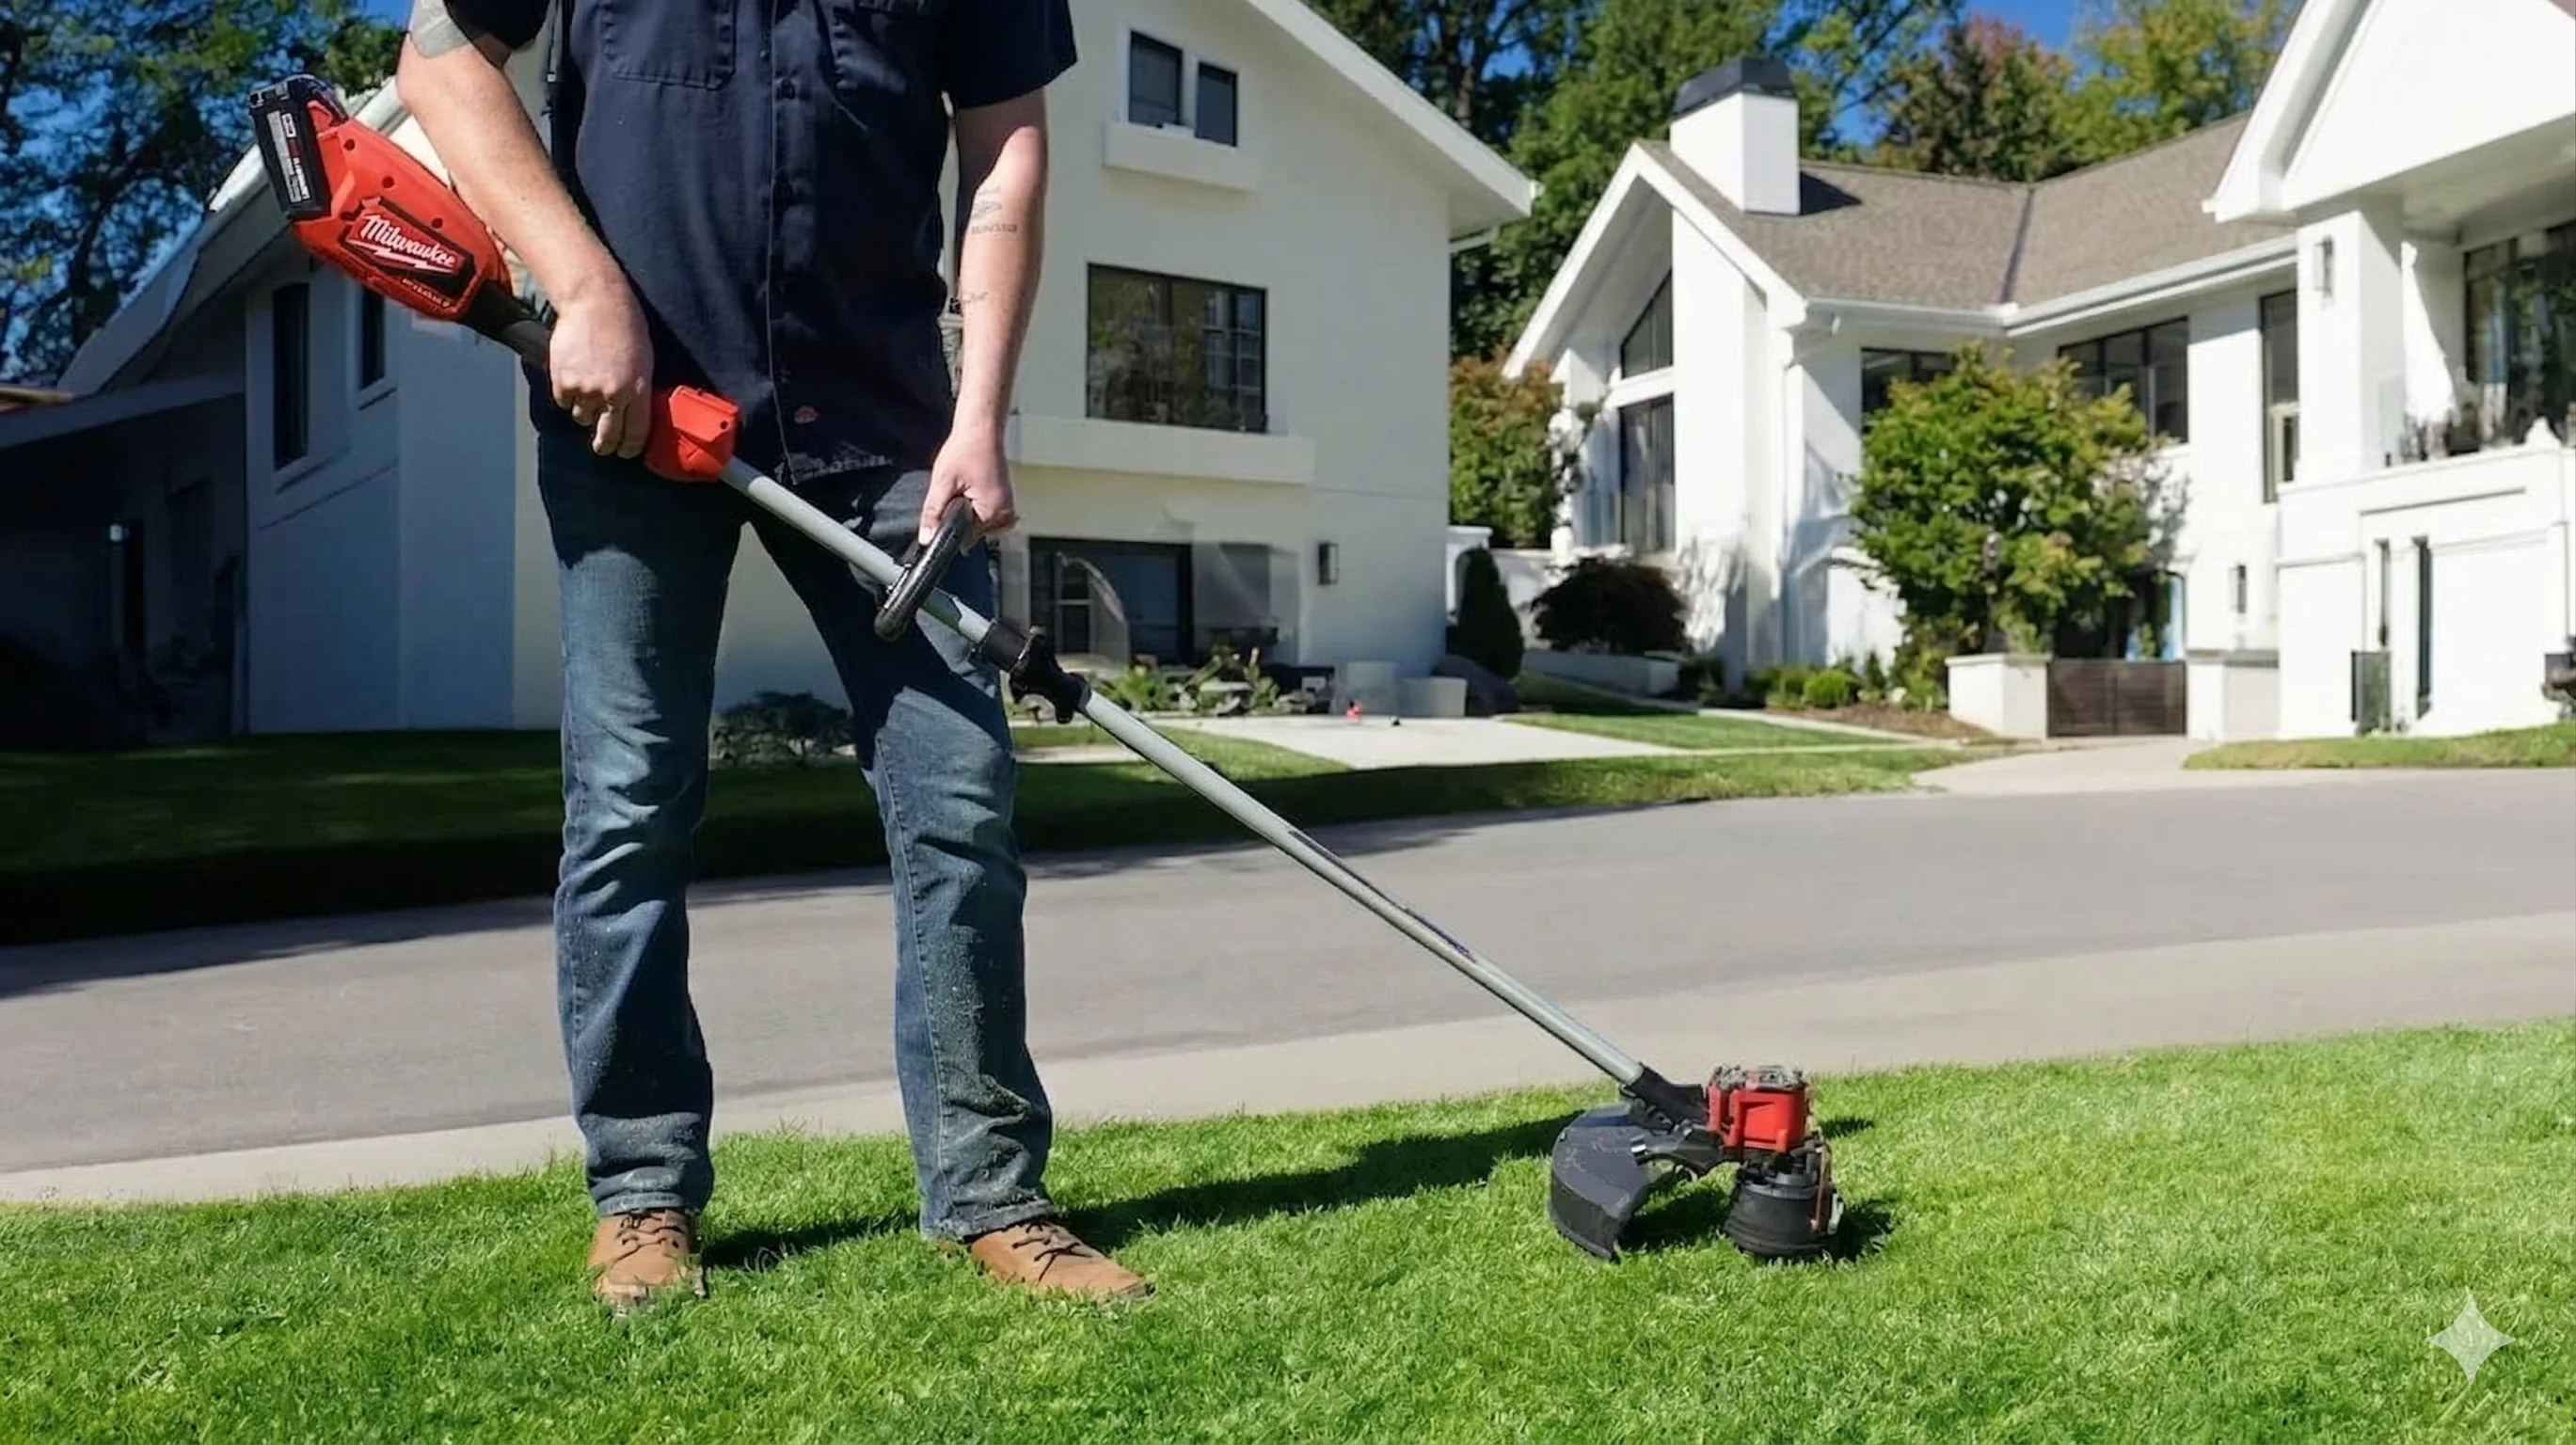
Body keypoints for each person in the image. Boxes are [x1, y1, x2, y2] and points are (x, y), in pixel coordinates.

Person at [394, 0, 1147, 1312]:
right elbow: (442, 60)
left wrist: (980, 419)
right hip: (632, 420)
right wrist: (581, 288)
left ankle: (990, 1194)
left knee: (957, 805)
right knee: (628, 804)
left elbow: (1006, 152)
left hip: (890, 436)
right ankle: (641, 1195)